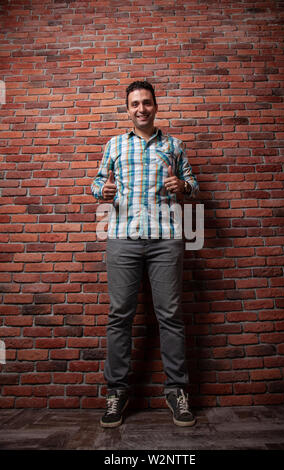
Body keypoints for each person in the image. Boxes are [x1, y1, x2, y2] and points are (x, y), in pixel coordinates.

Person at [91, 80, 199, 428]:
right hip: (123, 238)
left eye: (147, 103)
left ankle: (177, 391)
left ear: (155, 106)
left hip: (166, 239)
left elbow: (192, 184)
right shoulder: (114, 145)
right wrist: (103, 190)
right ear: (127, 109)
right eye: (135, 103)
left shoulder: (175, 145)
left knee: (170, 315)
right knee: (119, 315)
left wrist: (181, 186)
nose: (141, 108)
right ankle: (117, 392)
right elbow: (95, 185)